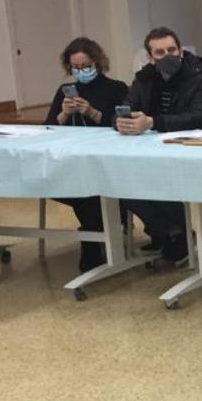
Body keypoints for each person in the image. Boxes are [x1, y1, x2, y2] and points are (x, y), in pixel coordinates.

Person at [119, 27, 202, 263]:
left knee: (157, 178)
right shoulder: (144, 79)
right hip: (150, 148)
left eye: (172, 50)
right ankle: (171, 232)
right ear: (150, 58)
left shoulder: (199, 75)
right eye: (160, 52)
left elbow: (201, 116)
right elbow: (126, 106)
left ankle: (174, 233)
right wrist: (123, 121)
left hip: (192, 146)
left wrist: (153, 122)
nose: (168, 56)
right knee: (121, 179)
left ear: (181, 51)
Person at [44, 37, 129, 272]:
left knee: (91, 186)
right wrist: (62, 114)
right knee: (77, 185)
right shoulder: (64, 92)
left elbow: (122, 124)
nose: (81, 71)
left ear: (97, 62)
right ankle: (94, 237)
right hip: (72, 160)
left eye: (86, 66)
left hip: (108, 160)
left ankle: (93, 240)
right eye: (76, 67)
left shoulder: (116, 88)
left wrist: (92, 113)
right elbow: (47, 128)